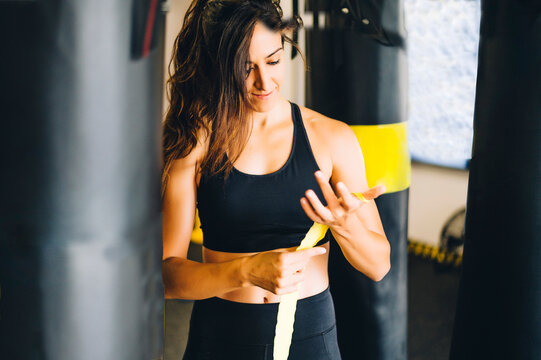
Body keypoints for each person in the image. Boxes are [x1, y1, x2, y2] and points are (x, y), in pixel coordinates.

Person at [161, 0, 391, 358]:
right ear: (219, 66)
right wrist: (246, 271)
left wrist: (346, 227)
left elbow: (379, 265)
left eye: (273, 60)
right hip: (222, 334)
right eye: (245, 67)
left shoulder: (332, 138)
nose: (264, 82)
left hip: (310, 335)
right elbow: (167, 277)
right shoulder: (195, 140)